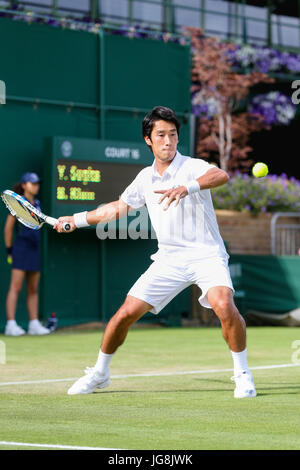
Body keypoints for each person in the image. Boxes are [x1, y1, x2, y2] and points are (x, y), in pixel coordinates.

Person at [54, 106, 256, 399]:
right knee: (124, 315)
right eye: (160, 135)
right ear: (148, 139)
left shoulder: (192, 166)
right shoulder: (144, 178)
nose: (168, 141)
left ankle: (242, 374)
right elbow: (118, 208)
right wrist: (77, 219)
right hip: (169, 259)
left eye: (172, 135)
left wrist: (187, 187)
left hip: (206, 254)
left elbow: (220, 175)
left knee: (224, 305)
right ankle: (99, 374)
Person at [4, 172, 50, 336]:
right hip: (21, 248)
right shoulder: (17, 203)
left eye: (37, 183)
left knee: (33, 288)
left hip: (34, 248)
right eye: (32, 183)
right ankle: (10, 324)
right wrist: (9, 250)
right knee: (15, 287)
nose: (36, 186)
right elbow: (8, 229)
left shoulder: (37, 203)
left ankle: (33, 323)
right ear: (24, 185)